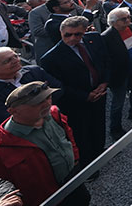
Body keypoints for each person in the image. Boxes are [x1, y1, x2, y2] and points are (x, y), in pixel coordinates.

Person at [0, 81, 91, 206]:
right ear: (13, 111)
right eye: (37, 103)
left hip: (73, 183)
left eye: (48, 97)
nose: (46, 104)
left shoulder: (54, 113)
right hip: (46, 204)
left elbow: (68, 137)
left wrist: (75, 161)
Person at [39, 16, 108, 167]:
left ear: (85, 31)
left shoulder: (94, 39)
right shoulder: (50, 58)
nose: (73, 38)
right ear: (61, 32)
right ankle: (88, 165)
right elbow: (58, 86)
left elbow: (104, 61)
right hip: (76, 102)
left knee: (99, 125)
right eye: (68, 35)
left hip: (99, 94)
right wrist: (86, 96)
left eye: (78, 34)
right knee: (81, 133)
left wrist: (104, 83)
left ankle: (100, 152)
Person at [0, 47, 61, 140]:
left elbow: (58, 90)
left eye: (16, 56)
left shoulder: (34, 71)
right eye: (7, 61)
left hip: (55, 130)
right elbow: (14, 122)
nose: (16, 61)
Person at [102, 8, 132, 140]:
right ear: (113, 22)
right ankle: (115, 128)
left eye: (128, 17)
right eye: (124, 19)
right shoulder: (106, 37)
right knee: (118, 101)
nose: (128, 20)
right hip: (120, 72)